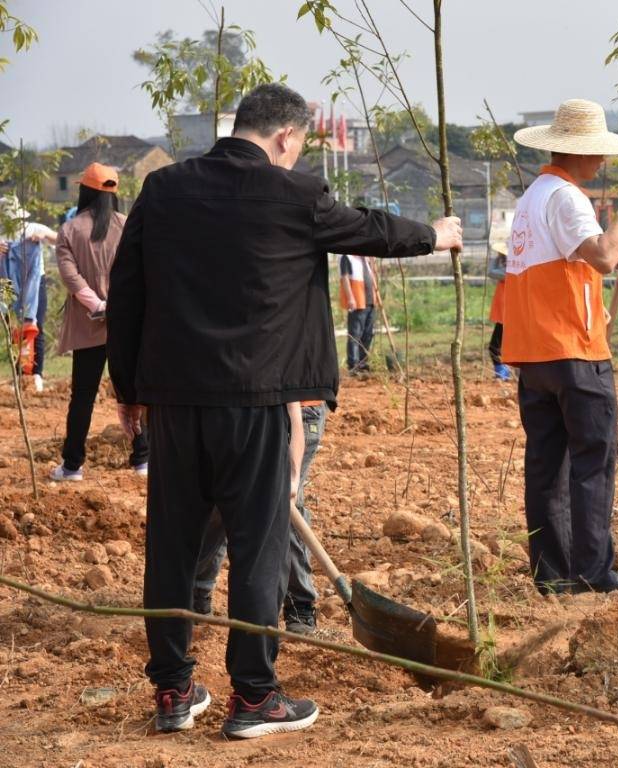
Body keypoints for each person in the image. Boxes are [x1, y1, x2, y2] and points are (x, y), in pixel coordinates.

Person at [106, 83, 462, 738]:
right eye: (297, 149)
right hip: (255, 401)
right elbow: (370, 229)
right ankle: (253, 697)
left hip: (175, 404)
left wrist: (127, 390)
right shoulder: (292, 194)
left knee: (172, 550)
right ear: (286, 139)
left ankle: (173, 694)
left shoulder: (163, 190)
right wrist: (433, 236)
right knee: (258, 547)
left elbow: (126, 289)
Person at [504, 98, 618, 593]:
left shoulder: (531, 199)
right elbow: (606, 256)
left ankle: (552, 575)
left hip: (535, 353)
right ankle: (593, 573)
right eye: (597, 153)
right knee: (592, 459)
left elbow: (563, 272)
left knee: (546, 465)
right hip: (573, 351)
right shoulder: (567, 198)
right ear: (578, 152)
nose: (603, 163)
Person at [193, 399, 327, 635]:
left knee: (283, 506)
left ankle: (299, 603)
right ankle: (197, 591)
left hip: (300, 410)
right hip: (246, 405)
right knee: (222, 500)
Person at [50, 163, 149, 482]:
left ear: (84, 191)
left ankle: (73, 465)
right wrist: (117, 306)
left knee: (83, 395)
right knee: (133, 392)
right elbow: (140, 270)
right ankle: (142, 459)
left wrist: (97, 304)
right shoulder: (128, 225)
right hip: (126, 326)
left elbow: (70, 275)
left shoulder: (70, 229)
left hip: (88, 326)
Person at [1, 196, 55, 380]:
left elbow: (60, 239)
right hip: (8, 285)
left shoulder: (32, 228)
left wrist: (44, 236)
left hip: (34, 283)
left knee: (35, 325)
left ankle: (36, 374)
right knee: (13, 329)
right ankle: (19, 374)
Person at [339, 252, 377, 374]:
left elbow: (372, 277)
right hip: (358, 301)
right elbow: (344, 277)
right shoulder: (347, 257)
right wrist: (350, 298)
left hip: (370, 301)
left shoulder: (365, 259)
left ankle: (363, 363)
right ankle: (353, 365)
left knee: (368, 334)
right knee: (355, 335)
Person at [486, 233, 513, 381]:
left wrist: (497, 259)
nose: (499, 256)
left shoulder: (509, 272)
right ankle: (504, 373)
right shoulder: (509, 270)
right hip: (504, 315)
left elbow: (490, 272)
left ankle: (503, 374)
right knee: (499, 347)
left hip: (507, 315)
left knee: (494, 347)